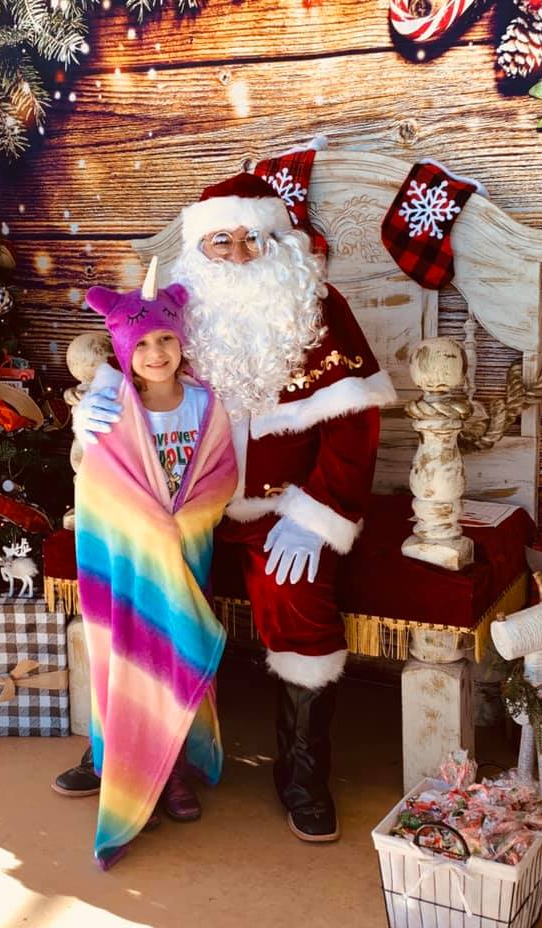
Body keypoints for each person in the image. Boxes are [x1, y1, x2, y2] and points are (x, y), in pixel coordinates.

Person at [64, 166, 397, 844]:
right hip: (187, 501)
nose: (240, 255)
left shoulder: (320, 307)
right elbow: (131, 359)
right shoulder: (179, 309)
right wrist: (94, 405)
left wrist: (316, 513)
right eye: (222, 242)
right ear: (197, 251)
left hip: (286, 511)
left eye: (253, 239)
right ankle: (127, 753)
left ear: (279, 243)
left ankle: (302, 771)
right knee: (137, 587)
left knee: (296, 596)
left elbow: (356, 423)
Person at [69, 259, 237, 868]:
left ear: (181, 340)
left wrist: (176, 526)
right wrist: (80, 424)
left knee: (173, 658)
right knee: (128, 660)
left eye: (167, 338)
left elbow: (220, 478)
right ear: (124, 351)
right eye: (143, 344)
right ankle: (128, 765)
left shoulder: (204, 404)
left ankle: (176, 766)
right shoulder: (110, 403)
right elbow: (100, 486)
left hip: (185, 555)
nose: (157, 352)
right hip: (131, 563)